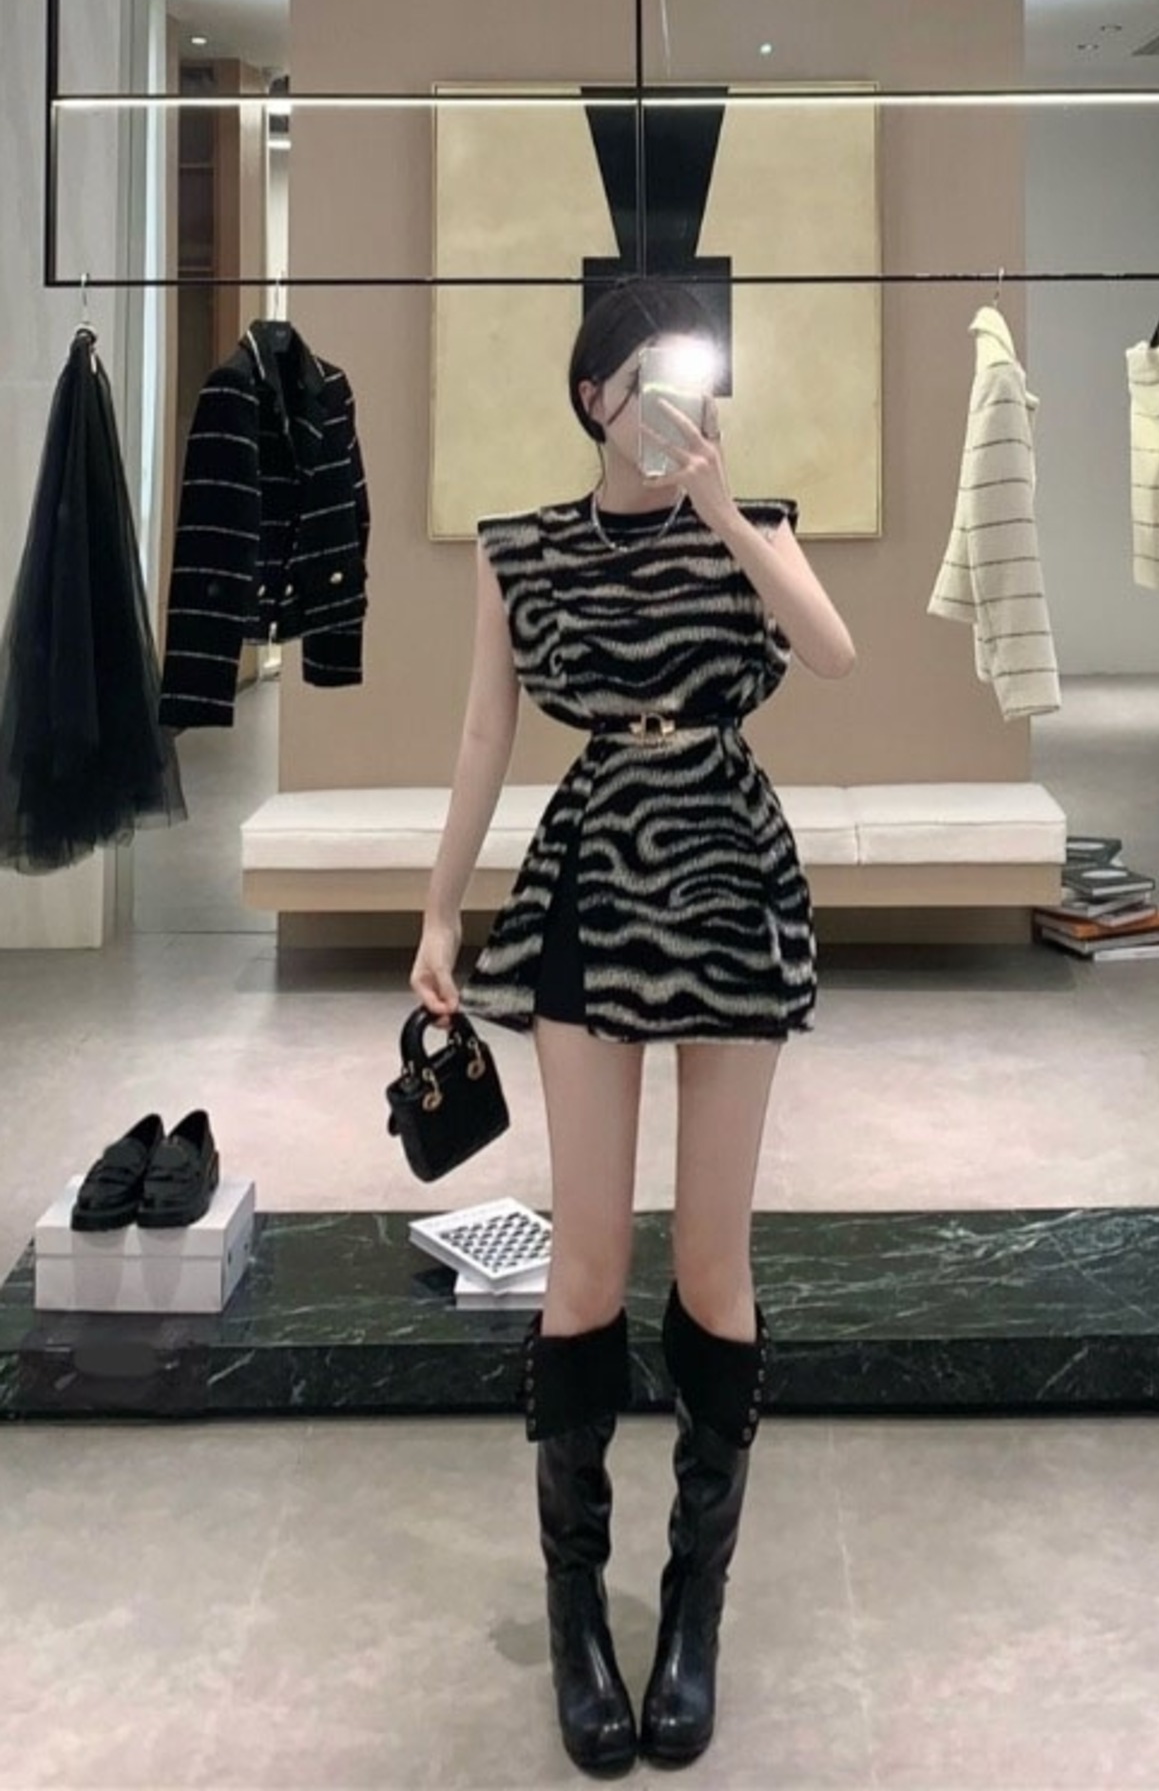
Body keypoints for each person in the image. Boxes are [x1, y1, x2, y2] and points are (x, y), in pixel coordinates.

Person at [410, 278, 855, 1776]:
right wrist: (438, 913)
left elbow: (834, 652)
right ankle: (576, 1616)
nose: (681, 403)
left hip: (728, 868)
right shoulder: (523, 550)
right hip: (595, 876)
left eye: (698, 378)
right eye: (654, 379)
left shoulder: (751, 521)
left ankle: (692, 1611)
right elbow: (485, 733)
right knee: (589, 1254)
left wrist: (724, 510)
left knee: (716, 1257)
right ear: (598, 396)